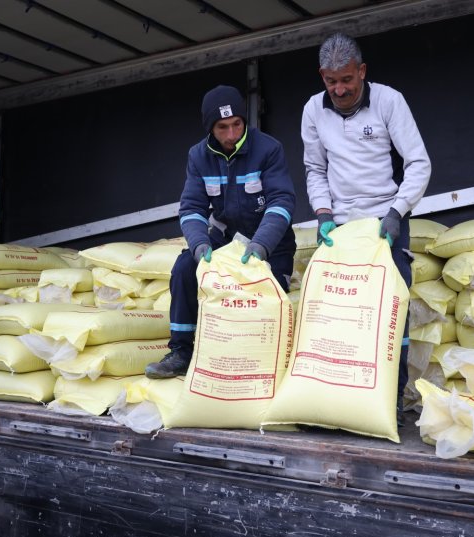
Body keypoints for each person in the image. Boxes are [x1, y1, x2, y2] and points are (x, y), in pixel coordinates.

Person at [301, 33, 432, 424]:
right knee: (338, 314)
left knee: (390, 313)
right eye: (331, 81)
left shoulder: (389, 101)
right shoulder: (313, 109)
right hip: (339, 227)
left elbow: (419, 163)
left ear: (362, 71)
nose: (340, 90)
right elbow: (315, 168)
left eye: (347, 79)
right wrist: (323, 213)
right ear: (322, 77)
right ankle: (338, 402)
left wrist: (397, 212)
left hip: (385, 221)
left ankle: (390, 401)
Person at [146, 85, 296, 378]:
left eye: (237, 124)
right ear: (210, 129)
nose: (231, 134)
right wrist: (199, 244)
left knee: (263, 289)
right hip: (225, 238)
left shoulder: (268, 149)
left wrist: (262, 245)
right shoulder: (198, 156)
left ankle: (252, 362)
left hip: (271, 244)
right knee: (184, 268)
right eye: (222, 127)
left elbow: (282, 202)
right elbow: (192, 208)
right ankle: (181, 352)